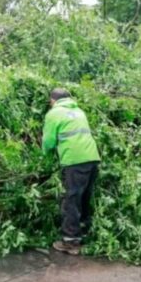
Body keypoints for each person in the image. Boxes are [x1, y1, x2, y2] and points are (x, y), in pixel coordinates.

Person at [42, 88, 101, 255]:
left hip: (75, 160)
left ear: (53, 101)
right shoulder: (79, 111)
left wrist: (44, 155)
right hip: (92, 157)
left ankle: (70, 241)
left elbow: (48, 141)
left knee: (71, 199)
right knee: (84, 197)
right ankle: (84, 231)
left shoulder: (54, 113)